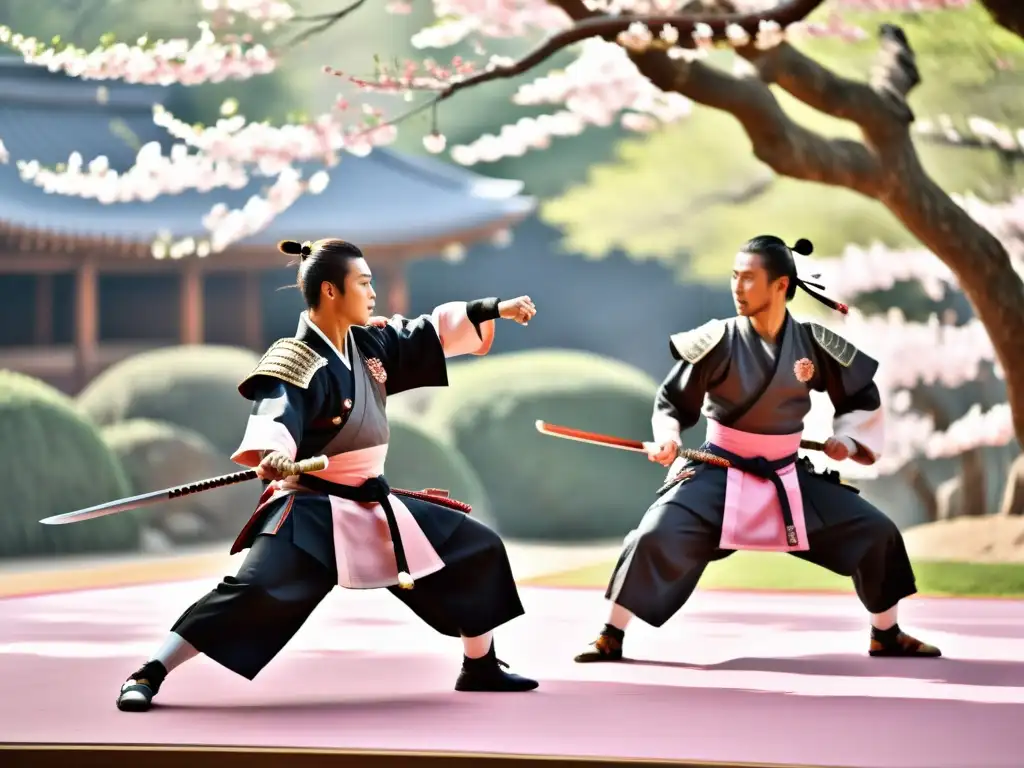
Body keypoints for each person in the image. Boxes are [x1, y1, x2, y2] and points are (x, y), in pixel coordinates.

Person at [116, 237, 540, 712]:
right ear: (331, 292)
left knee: (473, 548)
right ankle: (149, 671)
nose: (373, 293)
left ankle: (480, 665)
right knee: (252, 592)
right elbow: (276, 413)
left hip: (371, 500)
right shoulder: (294, 358)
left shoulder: (371, 342)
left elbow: (431, 332)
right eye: (363, 283)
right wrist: (275, 453)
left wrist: (494, 309)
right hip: (311, 507)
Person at [573, 234, 941, 665]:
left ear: (781, 285)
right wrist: (669, 437)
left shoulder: (814, 342)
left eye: (749, 278)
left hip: (787, 474)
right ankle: (611, 634)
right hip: (717, 469)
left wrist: (849, 440)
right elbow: (672, 403)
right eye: (734, 277)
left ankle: (887, 633)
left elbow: (860, 396)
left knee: (876, 532)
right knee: (655, 535)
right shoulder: (717, 340)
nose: (737, 287)